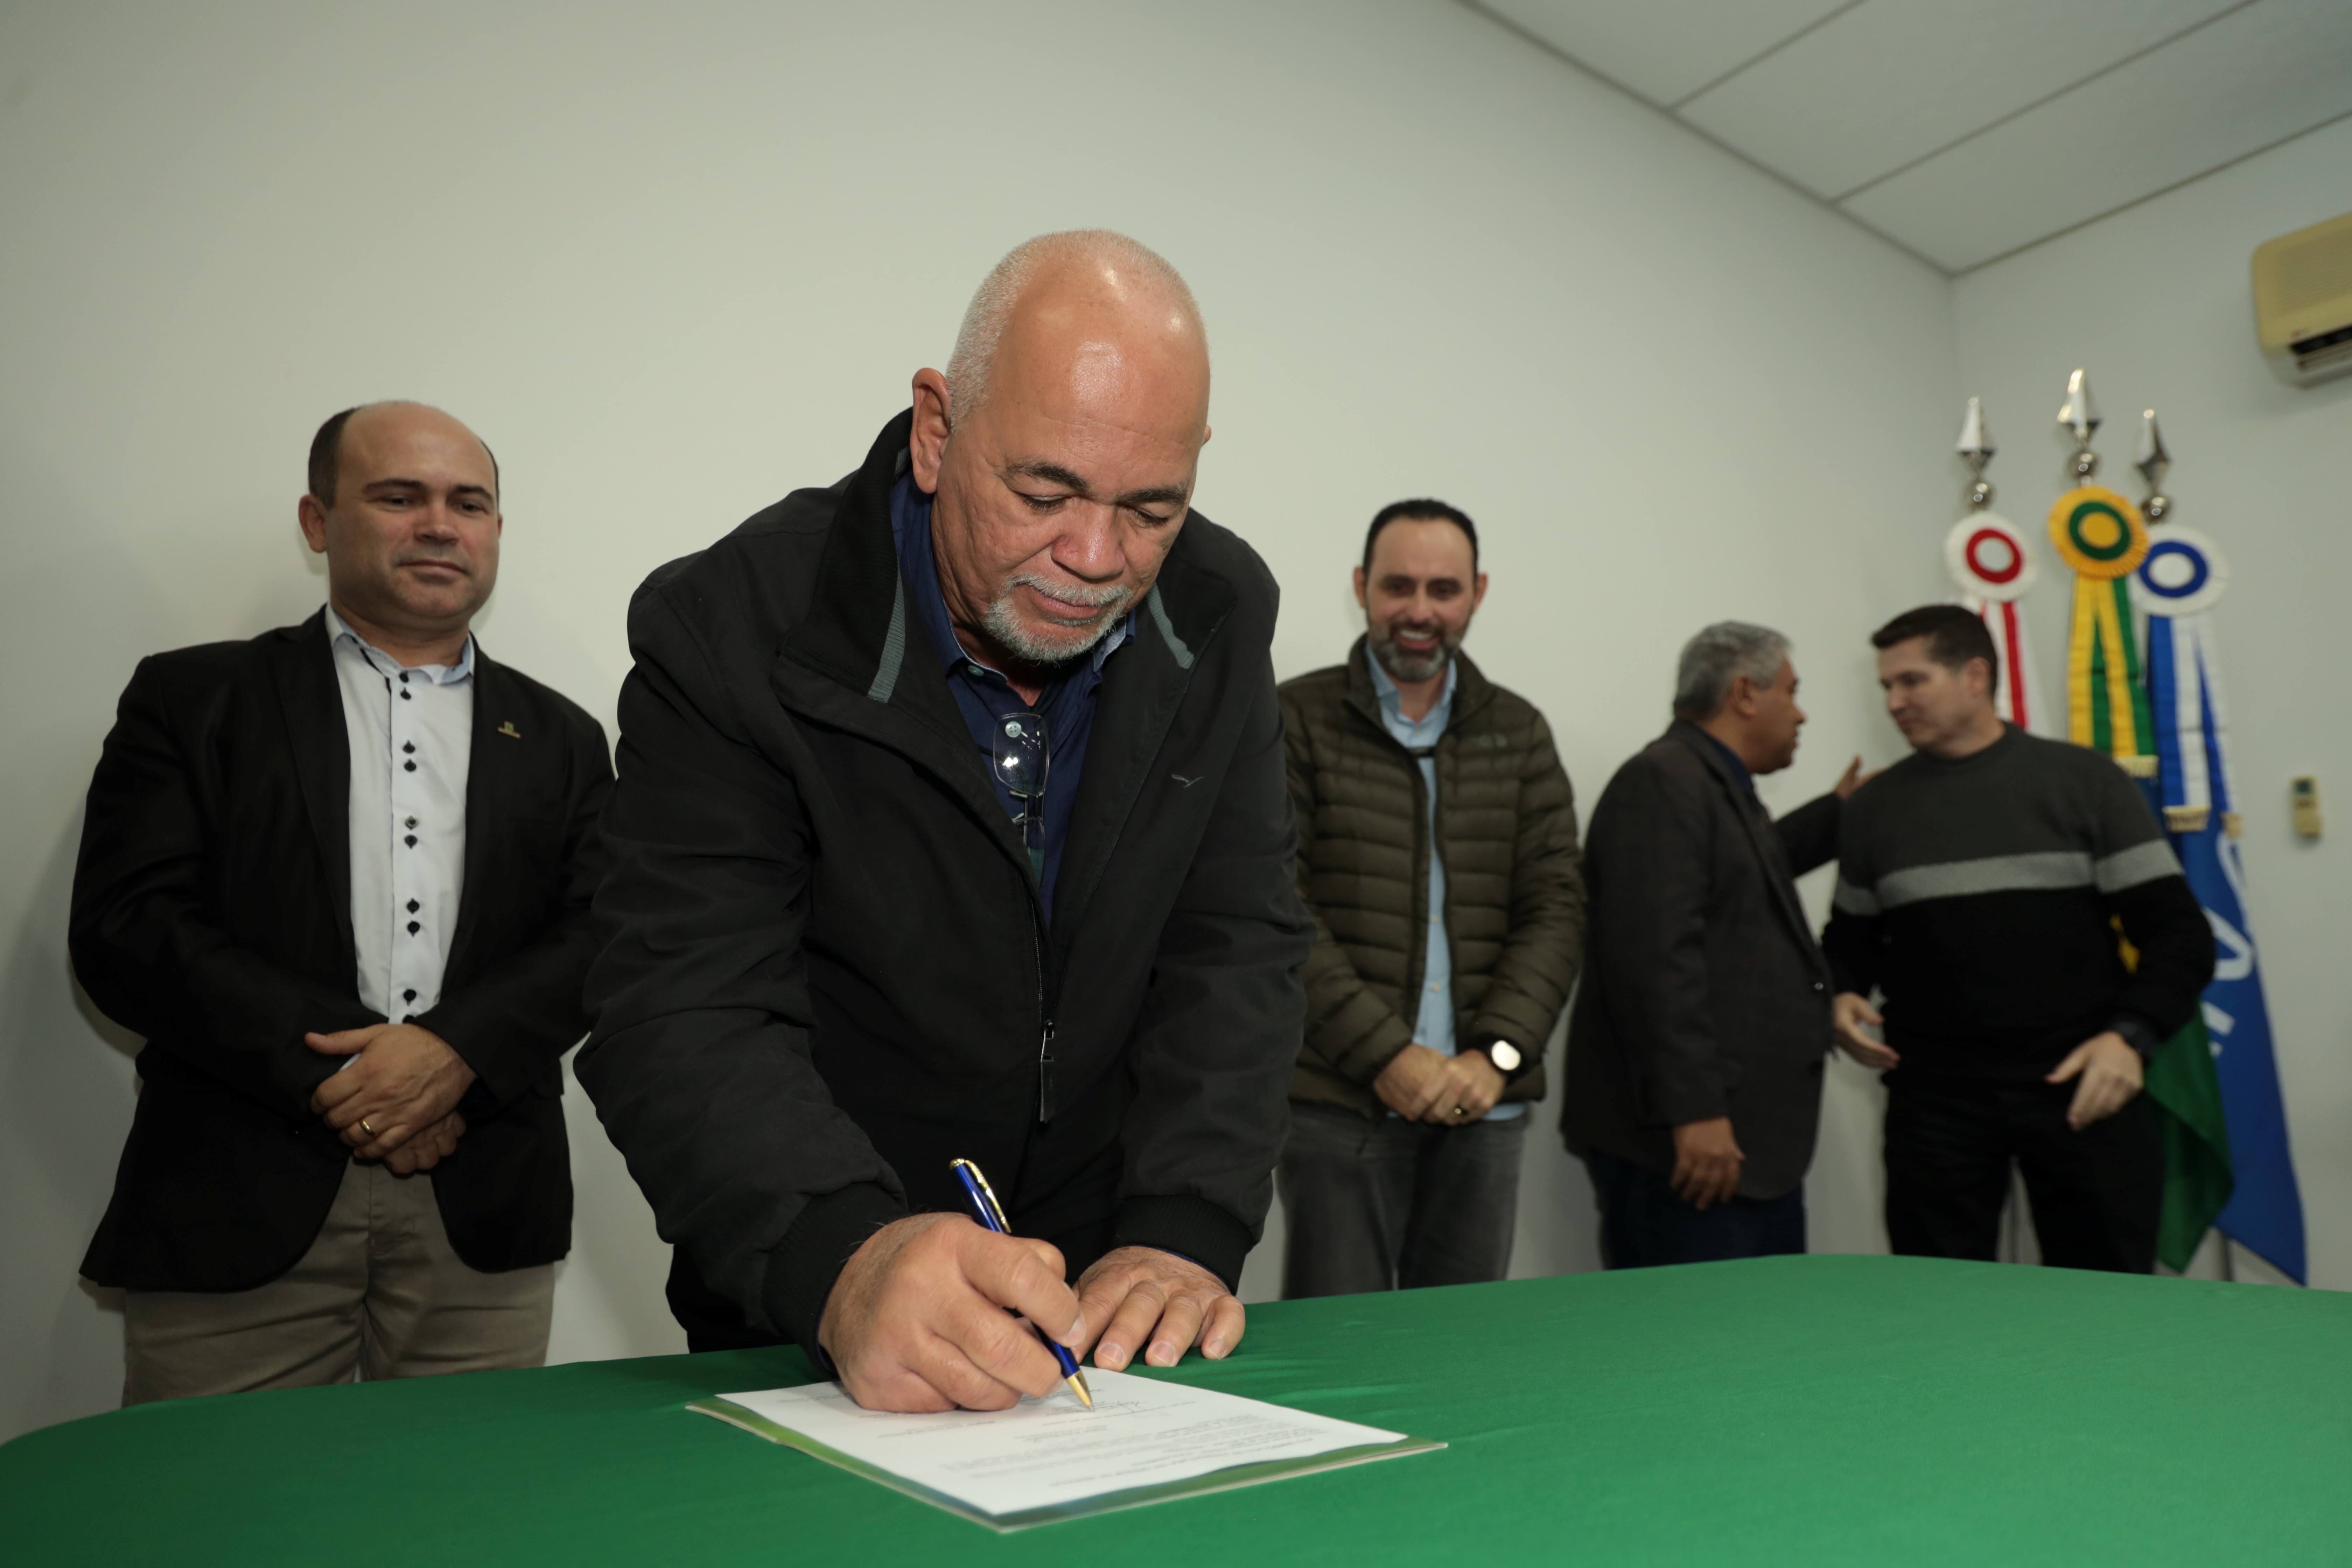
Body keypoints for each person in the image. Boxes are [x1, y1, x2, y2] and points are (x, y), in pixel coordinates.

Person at [578, 230, 1311, 1414]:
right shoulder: (736, 625)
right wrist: (839, 1253)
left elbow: (1237, 946)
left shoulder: (1220, 611)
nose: (1093, 558)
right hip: (813, 1292)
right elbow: (683, 997)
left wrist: (1186, 1225)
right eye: (1043, 493)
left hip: (1108, 1302)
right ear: (936, 430)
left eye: (1151, 509)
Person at [71, 402, 612, 1402]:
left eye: (469, 503)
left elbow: (602, 936)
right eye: (399, 497)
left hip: (484, 1201)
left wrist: (454, 1055)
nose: (440, 525)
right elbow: (127, 928)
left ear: (496, 530)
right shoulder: (192, 700)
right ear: (318, 521)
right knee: (223, 1496)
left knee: (465, 1496)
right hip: (237, 1192)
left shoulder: (566, 736)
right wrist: (365, 1075)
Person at [1824, 605, 2216, 1273]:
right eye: (1887, 686)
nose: (1894, 702)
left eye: (1912, 681)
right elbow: (1849, 940)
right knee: (1938, 1304)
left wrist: (2132, 1037)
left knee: (2105, 1303)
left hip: (2083, 1085)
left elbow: (2179, 935)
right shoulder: (1872, 809)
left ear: (1975, 677)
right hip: (1934, 1102)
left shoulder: (2084, 781)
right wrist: (1838, 993)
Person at [1275, 499, 1583, 1297]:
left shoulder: (1520, 731)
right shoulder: (1293, 719)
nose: (1419, 611)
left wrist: (1498, 1056)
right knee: (1340, 1348)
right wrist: (1386, 1055)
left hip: (1486, 1104)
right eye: (1398, 586)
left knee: (1467, 1348)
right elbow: (1277, 909)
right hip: (1338, 1104)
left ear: (1478, 593)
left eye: (1443, 589)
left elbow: (1556, 909)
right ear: (1361, 587)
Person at [1562, 622, 1866, 1266]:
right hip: (1692, 1148)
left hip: (1741, 1147)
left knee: (1758, 1324)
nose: (1802, 713)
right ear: (1744, 694)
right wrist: (1696, 1112)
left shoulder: (1710, 784)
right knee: (1695, 1328)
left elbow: (1746, 875)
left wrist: (1837, 815)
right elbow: (1655, 962)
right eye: (1792, 691)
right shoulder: (1663, 782)